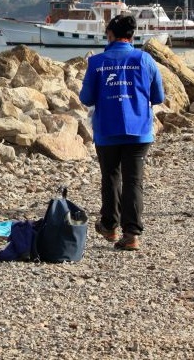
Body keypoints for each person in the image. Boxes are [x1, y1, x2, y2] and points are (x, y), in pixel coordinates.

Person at [79, 14, 164, 251]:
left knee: (111, 178)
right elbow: (158, 96)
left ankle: (109, 226)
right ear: (132, 36)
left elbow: (86, 98)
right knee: (134, 181)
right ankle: (132, 234)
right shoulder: (145, 59)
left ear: (110, 34)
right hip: (139, 131)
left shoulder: (97, 63)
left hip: (107, 130)